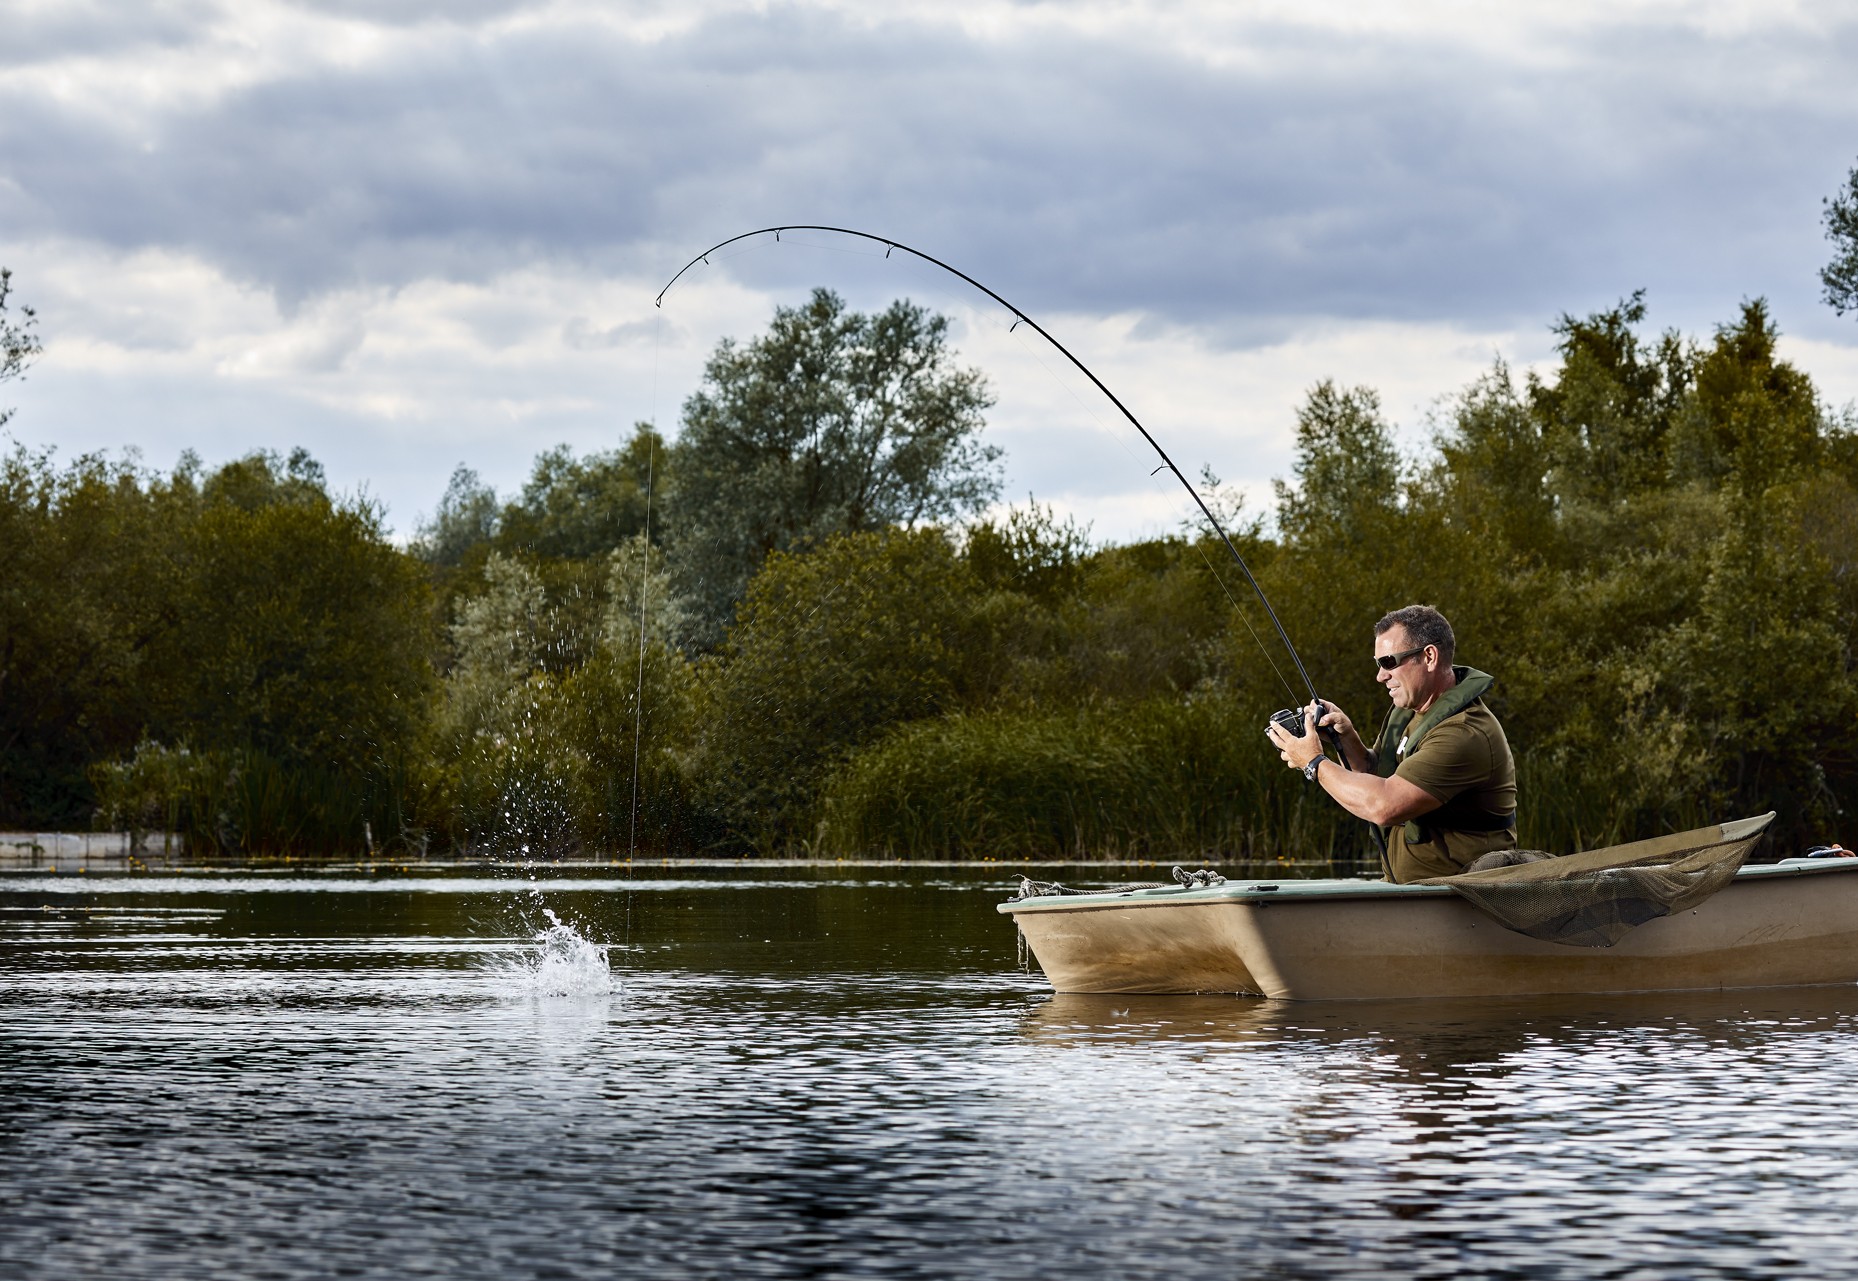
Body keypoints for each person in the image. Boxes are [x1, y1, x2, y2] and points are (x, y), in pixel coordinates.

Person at [1264, 604, 1516, 883]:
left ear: (1429, 657)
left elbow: (1384, 806)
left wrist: (1314, 762)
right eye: (1378, 664)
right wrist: (1346, 738)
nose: (1380, 676)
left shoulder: (1464, 732)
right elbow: (1376, 775)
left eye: (1388, 662)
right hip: (1408, 893)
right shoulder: (1410, 712)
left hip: (1460, 895)